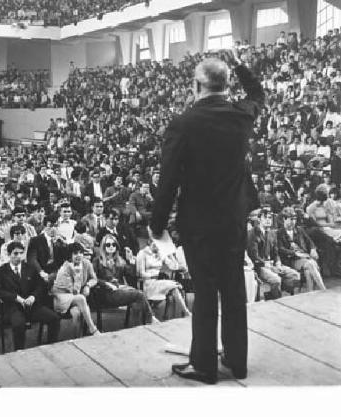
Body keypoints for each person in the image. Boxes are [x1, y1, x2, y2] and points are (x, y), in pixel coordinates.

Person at [150, 50, 265, 384]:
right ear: (227, 84)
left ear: (197, 85)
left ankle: (204, 365)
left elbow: (168, 179)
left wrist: (157, 225)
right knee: (232, 290)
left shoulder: (183, 123)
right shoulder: (241, 114)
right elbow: (258, 94)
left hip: (198, 224)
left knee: (205, 292)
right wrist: (241, 65)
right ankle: (236, 361)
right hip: (233, 220)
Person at [0, 241, 60, 350]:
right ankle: (19, 352)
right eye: (15, 253)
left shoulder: (29, 268)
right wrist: (16, 298)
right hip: (12, 307)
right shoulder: (1, 271)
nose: (19, 256)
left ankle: (52, 347)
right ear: (9, 255)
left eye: (21, 253)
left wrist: (33, 296)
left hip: (31, 305)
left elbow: (41, 286)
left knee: (54, 318)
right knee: (19, 325)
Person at [93, 235, 158, 326]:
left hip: (120, 291)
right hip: (106, 293)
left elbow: (132, 274)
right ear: (103, 246)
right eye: (108, 245)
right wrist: (106, 283)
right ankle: (150, 319)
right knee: (139, 295)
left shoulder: (119, 260)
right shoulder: (97, 261)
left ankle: (138, 326)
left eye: (114, 244)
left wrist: (131, 261)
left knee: (137, 302)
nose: (111, 247)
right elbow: (93, 279)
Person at [52, 242, 100, 336]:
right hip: (62, 297)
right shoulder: (65, 268)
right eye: (75, 253)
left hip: (76, 299)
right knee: (81, 299)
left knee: (76, 312)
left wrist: (88, 286)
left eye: (80, 252)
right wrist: (77, 275)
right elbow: (74, 291)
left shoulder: (86, 263)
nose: (79, 255)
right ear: (70, 256)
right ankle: (93, 329)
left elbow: (94, 279)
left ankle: (77, 338)